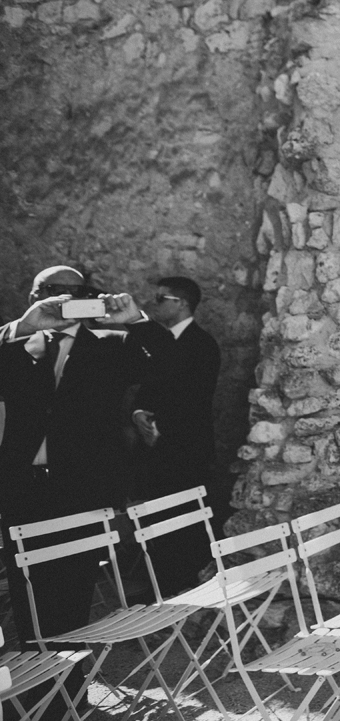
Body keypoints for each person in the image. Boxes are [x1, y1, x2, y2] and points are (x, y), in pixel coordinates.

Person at [0, 265, 173, 714]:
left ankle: (66, 697)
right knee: (27, 598)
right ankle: (35, 697)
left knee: (72, 596)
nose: (63, 298)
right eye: (52, 291)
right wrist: (23, 326)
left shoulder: (113, 345)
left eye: (74, 292)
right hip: (22, 489)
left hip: (82, 491)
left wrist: (136, 321)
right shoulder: (16, 343)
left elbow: (172, 364)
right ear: (34, 295)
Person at [130, 275, 222, 595]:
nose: (152, 304)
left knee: (183, 519)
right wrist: (138, 413)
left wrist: (160, 429)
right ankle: (159, 585)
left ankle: (182, 587)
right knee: (157, 518)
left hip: (186, 449)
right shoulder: (158, 343)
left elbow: (193, 398)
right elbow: (148, 386)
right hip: (155, 450)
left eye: (160, 298)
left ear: (181, 304)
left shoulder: (202, 344)